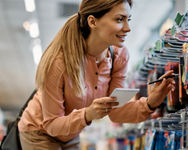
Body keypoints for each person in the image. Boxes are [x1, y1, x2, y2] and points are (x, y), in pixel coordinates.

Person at [18, 0, 175, 149]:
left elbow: (116, 111)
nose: (127, 28)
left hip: (71, 132)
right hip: (39, 131)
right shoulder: (59, 62)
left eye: (128, 19)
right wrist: (87, 114)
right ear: (92, 22)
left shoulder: (118, 57)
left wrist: (150, 103)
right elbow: (51, 124)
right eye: (120, 19)